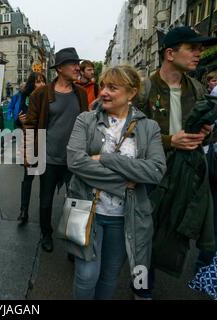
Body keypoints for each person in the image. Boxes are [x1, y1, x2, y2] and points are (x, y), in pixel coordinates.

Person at [66, 65, 166, 300]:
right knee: (86, 275)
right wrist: (124, 183)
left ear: (131, 93)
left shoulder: (149, 127)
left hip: (125, 217)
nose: (104, 92)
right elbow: (75, 161)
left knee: (110, 275)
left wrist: (106, 159)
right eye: (103, 86)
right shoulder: (86, 120)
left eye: (112, 87)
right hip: (87, 210)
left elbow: (155, 170)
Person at [136, 26, 217, 299]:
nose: (199, 53)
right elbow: (130, 137)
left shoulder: (196, 88)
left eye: (200, 48)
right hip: (150, 178)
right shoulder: (143, 89)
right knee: (143, 239)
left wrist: (206, 134)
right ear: (170, 54)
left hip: (183, 176)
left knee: (167, 235)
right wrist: (171, 141)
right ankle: (141, 289)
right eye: (192, 48)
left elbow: (200, 135)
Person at [24, 47, 89, 252]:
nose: (78, 68)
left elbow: (86, 124)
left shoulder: (80, 93)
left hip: (74, 159)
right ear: (60, 68)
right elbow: (31, 124)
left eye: (78, 64)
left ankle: (73, 239)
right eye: (73, 64)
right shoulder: (41, 93)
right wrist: (28, 152)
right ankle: (46, 234)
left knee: (77, 201)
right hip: (48, 157)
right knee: (46, 200)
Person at [15, 72, 47, 226]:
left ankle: (43, 215)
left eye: (43, 81)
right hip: (29, 142)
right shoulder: (25, 98)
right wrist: (19, 120)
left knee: (45, 181)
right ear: (32, 84)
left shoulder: (49, 98)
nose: (40, 84)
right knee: (28, 178)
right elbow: (19, 119)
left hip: (45, 143)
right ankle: (23, 211)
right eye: (37, 82)